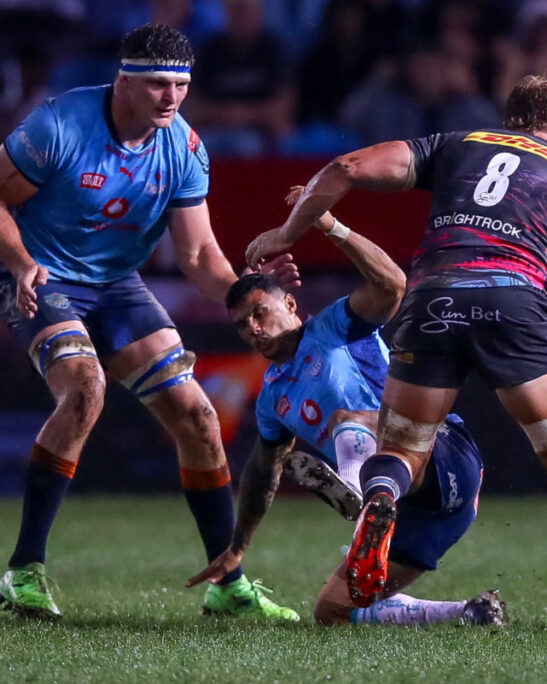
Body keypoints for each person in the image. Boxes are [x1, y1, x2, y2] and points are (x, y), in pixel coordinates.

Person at [244, 72, 547, 633]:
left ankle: (377, 497)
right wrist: (509, 314)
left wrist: (287, 232)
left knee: (402, 449)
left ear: (509, 119)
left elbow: (347, 167)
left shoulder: (457, 143)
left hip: (430, 298)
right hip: (515, 298)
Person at [0, 23, 298, 621]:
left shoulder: (183, 147)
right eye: (159, 83)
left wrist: (248, 294)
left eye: (182, 85)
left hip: (117, 286)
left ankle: (228, 584)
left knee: (199, 415)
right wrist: (21, 263)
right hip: (43, 278)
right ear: (125, 80)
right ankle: (23, 571)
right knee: (86, 388)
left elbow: (199, 254)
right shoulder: (59, 125)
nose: (172, 97)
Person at [186, 193, 506, 627]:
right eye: (243, 324)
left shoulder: (335, 326)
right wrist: (237, 547)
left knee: (347, 420)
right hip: (425, 514)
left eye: (260, 313)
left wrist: (331, 226)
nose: (254, 329)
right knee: (334, 611)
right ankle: (470, 614)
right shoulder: (271, 399)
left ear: (290, 305)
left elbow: (392, 285)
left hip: (440, 452)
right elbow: (263, 471)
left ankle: (360, 490)